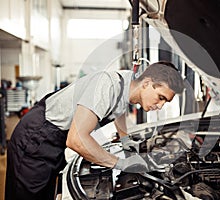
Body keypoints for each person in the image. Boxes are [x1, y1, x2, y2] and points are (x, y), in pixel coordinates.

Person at [5, 61, 185, 200]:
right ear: (146, 83)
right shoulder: (107, 85)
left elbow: (119, 109)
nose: (160, 105)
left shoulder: (128, 85)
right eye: (160, 97)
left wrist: (126, 142)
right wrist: (120, 163)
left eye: (165, 102)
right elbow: (76, 140)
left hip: (52, 141)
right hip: (36, 138)